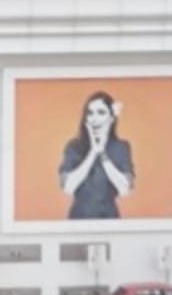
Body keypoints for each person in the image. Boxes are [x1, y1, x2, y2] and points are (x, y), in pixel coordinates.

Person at [58, 91, 135, 219]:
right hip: (79, 218)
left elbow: (125, 189)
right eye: (90, 113)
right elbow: (68, 187)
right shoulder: (73, 146)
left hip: (109, 218)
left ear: (111, 118)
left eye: (101, 112)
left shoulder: (121, 147)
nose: (94, 119)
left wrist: (103, 154)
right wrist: (93, 152)